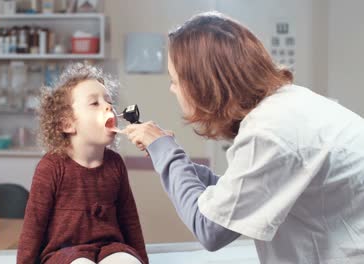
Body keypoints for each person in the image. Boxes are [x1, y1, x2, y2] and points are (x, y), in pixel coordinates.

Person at [121, 11, 364, 263]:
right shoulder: (289, 105)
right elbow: (240, 192)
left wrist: (166, 152)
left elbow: (209, 229)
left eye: (174, 80)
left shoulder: (270, 133)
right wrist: (172, 158)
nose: (172, 89)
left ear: (202, 84)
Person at [17, 63, 148, 264]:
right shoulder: (51, 167)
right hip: (63, 253)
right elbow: (33, 227)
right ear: (67, 123)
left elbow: (129, 221)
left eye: (109, 101)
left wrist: (141, 259)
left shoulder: (115, 164)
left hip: (110, 248)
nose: (108, 106)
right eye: (94, 103)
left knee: (127, 261)